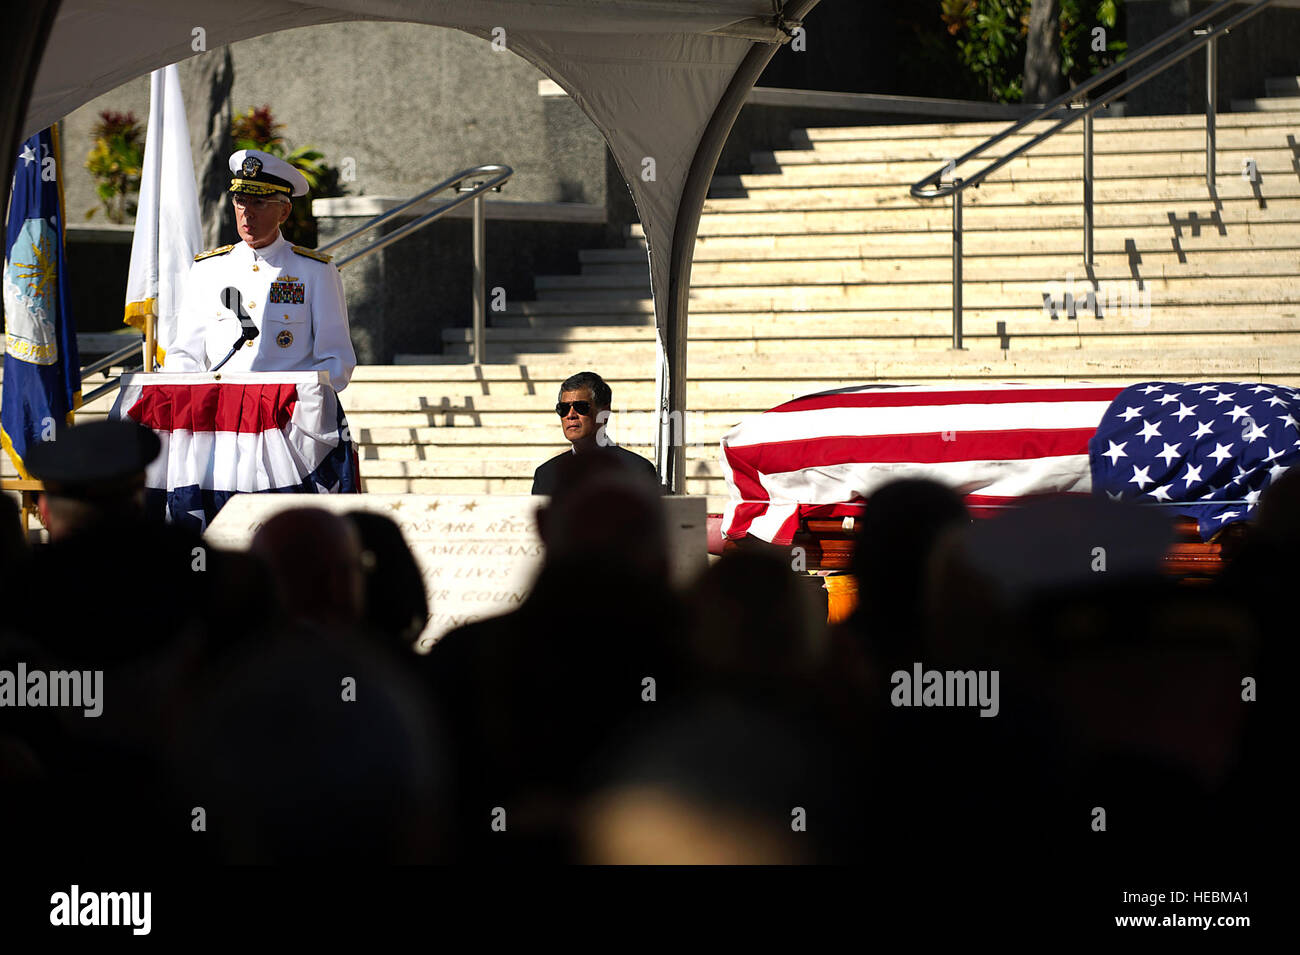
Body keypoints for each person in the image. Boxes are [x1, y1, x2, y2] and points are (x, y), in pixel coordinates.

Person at [164, 148, 357, 390]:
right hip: (222, 414)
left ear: (284, 211)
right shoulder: (208, 269)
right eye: (240, 201)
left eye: (259, 202)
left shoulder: (315, 271)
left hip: (288, 417)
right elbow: (185, 353)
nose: (247, 213)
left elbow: (336, 360)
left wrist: (296, 398)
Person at [530, 371, 659, 495]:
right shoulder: (545, 475)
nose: (570, 415)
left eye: (581, 407)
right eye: (563, 408)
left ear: (604, 413)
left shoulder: (637, 471)